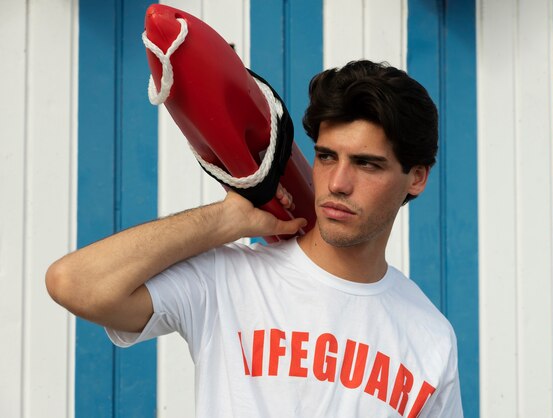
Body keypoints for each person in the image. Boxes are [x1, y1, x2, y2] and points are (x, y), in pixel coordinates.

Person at [46, 60, 463, 417]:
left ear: (417, 178)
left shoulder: (429, 337)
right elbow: (73, 283)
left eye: (367, 164)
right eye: (326, 156)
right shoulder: (230, 279)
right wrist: (225, 219)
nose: (337, 182)